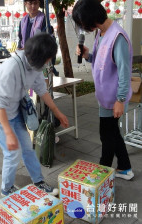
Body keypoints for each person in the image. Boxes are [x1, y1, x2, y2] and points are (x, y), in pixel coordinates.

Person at [0, 33, 69, 196]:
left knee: (27, 149)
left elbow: (42, 91)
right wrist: (8, 133)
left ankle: (38, 181)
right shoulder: (11, 69)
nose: (48, 62)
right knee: (12, 152)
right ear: (39, 56)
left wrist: (57, 113)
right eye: (48, 58)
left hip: (15, 112)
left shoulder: (36, 65)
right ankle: (6, 188)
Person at [72, 0, 134, 180]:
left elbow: (124, 72)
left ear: (92, 20)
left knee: (106, 135)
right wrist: (87, 55)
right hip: (105, 97)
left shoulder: (118, 37)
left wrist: (120, 100)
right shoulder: (101, 32)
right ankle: (125, 167)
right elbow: (102, 61)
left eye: (83, 24)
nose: (84, 28)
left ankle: (103, 173)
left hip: (114, 98)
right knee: (113, 133)